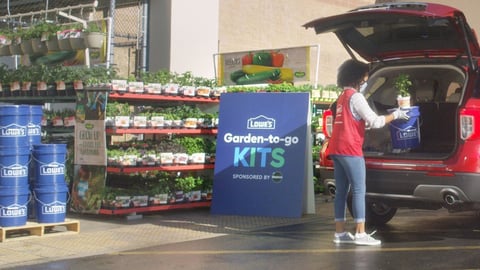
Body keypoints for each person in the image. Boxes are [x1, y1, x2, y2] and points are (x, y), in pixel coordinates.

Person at [327, 59, 409, 246]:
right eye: (364, 77)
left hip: (337, 149)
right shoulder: (356, 97)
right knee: (358, 190)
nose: (365, 80)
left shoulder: (342, 97)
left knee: (341, 192)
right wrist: (396, 114)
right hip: (350, 149)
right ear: (357, 77)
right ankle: (361, 233)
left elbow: (354, 121)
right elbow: (376, 122)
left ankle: (339, 233)